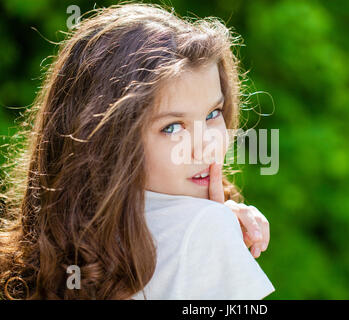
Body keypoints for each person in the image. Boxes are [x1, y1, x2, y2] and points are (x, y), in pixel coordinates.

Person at [0, 3, 274, 300]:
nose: (206, 144)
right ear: (106, 141)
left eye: (212, 114)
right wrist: (214, 229)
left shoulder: (52, 255)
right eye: (172, 127)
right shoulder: (206, 229)